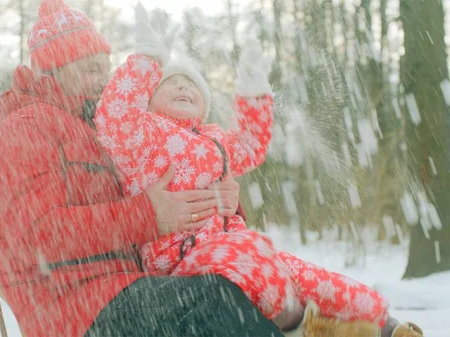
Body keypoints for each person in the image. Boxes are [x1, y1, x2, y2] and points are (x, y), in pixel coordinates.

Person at [94, 3, 424, 337]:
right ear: (149, 98)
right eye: (170, 83)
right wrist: (147, 60)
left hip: (235, 250)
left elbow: (251, 145)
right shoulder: (144, 136)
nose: (182, 87)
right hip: (183, 259)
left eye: (191, 84)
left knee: (313, 279)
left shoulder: (214, 140)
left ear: (204, 105)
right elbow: (114, 116)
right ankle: (302, 327)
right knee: (253, 257)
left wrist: (253, 90)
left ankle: (385, 326)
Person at [0, 0, 287, 336]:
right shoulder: (25, 129)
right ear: (52, 71)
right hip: (72, 306)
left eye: (105, 68)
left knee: (251, 281)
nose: (103, 80)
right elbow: (36, 237)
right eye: (89, 70)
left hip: (133, 286)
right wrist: (148, 216)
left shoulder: (108, 131)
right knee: (214, 300)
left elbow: (164, 187)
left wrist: (219, 196)